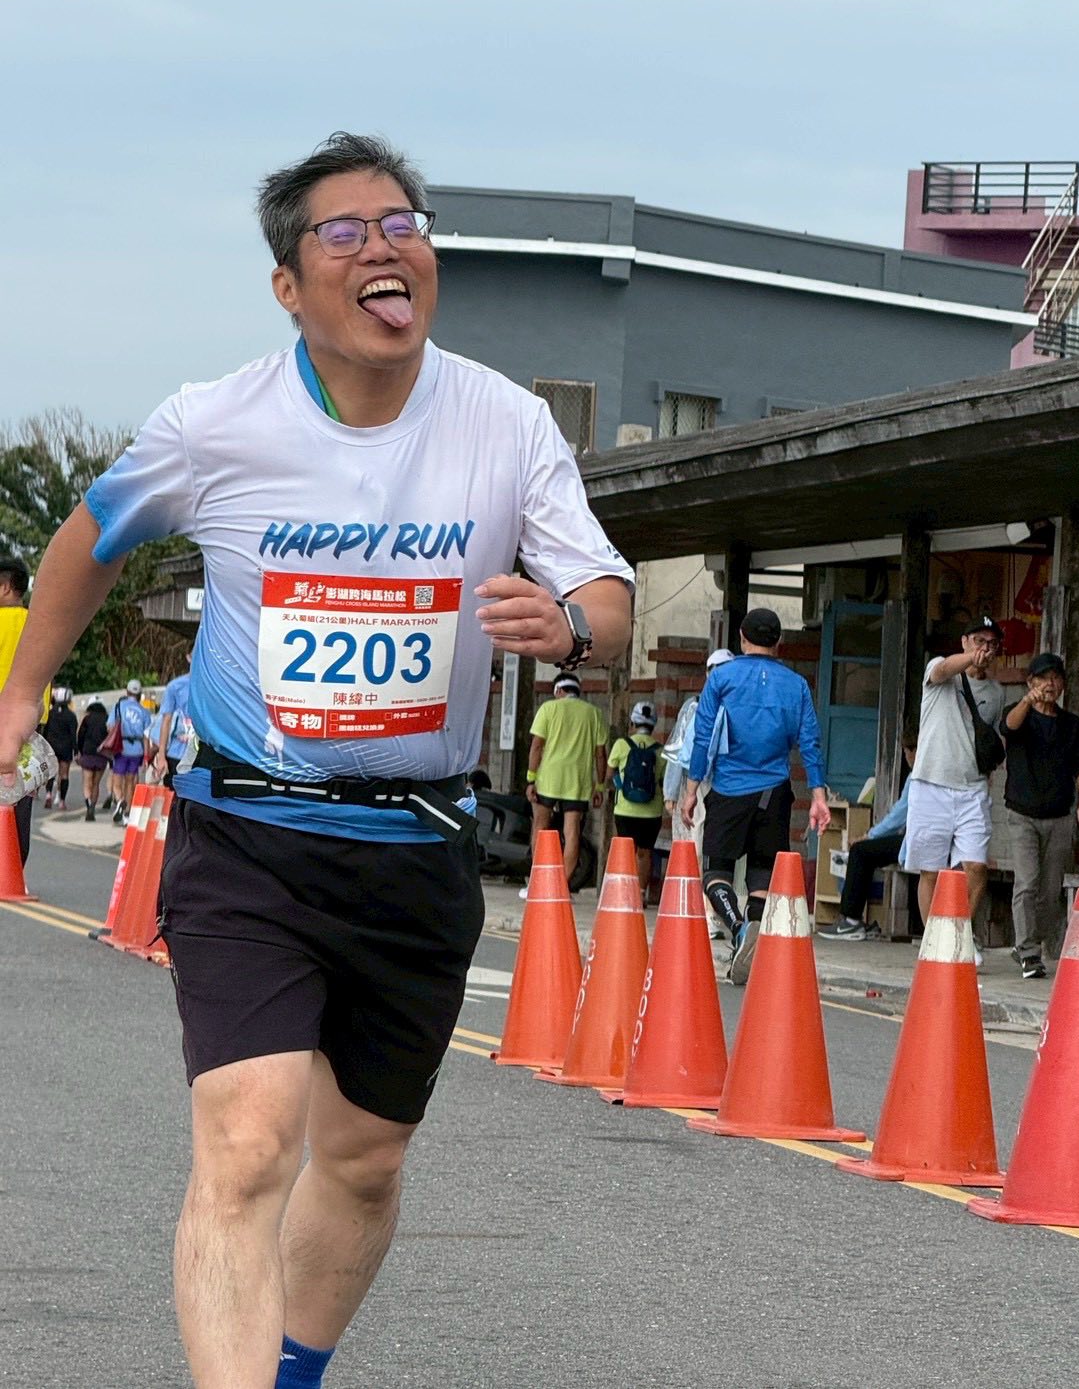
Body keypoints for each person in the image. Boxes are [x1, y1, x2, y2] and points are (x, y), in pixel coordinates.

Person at [0, 131, 633, 1389]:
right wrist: (22, 692)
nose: (383, 247)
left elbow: (608, 600)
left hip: (417, 845)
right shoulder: (216, 424)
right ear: (289, 285)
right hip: (250, 833)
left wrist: (567, 625)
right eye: (345, 232)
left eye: (403, 224)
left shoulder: (505, 423)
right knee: (247, 1146)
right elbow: (91, 537)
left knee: (363, 1162)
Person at [681, 608, 831, 985]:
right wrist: (818, 795)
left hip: (728, 790)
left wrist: (691, 789)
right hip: (774, 792)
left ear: (742, 638)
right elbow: (810, 743)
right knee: (762, 874)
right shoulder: (796, 685)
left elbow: (702, 736)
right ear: (779, 642)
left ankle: (737, 929)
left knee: (716, 872)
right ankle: (750, 935)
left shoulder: (722, 678)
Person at [903, 615, 1006, 961]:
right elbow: (944, 669)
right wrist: (969, 659)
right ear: (964, 642)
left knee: (976, 866)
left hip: (972, 789)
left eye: (992, 644)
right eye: (979, 641)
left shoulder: (996, 692)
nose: (985, 649)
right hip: (930, 783)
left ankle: (960, 934)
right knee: (930, 869)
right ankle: (934, 941)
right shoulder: (939, 669)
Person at [1001, 652, 1079, 979]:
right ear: (1031, 682)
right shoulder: (1019, 714)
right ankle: (1029, 953)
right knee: (1027, 882)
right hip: (1022, 814)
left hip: (1059, 815)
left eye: (1055, 678)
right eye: (1043, 678)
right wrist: (1028, 700)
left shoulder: (1072, 725)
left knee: (1051, 890)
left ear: (1063, 684)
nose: (1050, 684)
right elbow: (1008, 727)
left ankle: (1028, 943)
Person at [663, 647, 735, 936]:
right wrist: (670, 793)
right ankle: (701, 912)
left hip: (726, 787)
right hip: (696, 786)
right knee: (695, 848)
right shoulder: (693, 707)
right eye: (715, 671)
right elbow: (678, 753)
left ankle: (712, 912)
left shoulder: (737, 707)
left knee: (715, 851)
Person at [819, 734, 917, 940]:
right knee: (867, 852)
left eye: (907, 752)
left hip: (917, 842)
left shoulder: (917, 776)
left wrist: (869, 835)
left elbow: (899, 816)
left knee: (860, 852)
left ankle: (850, 921)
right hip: (930, 841)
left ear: (914, 751)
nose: (907, 757)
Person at [526, 672, 609, 888]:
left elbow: (537, 746)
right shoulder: (594, 713)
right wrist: (599, 785)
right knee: (572, 832)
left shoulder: (548, 709)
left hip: (548, 779)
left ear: (559, 690)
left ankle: (539, 883)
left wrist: (531, 778)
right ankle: (561, 886)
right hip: (578, 782)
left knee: (540, 827)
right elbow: (601, 754)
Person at [0, 558, 49, 864]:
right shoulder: (39, 625)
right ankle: (12, 872)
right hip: (30, 730)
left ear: (5, 587)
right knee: (19, 804)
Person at [606, 700, 666, 902]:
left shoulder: (621, 745)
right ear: (653, 725)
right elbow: (663, 781)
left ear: (632, 723)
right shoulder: (660, 750)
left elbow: (609, 774)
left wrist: (620, 786)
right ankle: (640, 895)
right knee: (645, 853)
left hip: (625, 809)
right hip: (652, 811)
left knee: (626, 851)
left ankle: (623, 893)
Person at [108, 678, 153, 823]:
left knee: (117, 781)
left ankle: (120, 800)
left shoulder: (118, 707)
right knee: (130, 781)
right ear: (139, 694)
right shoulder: (144, 712)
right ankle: (127, 814)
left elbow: (110, 727)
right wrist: (146, 756)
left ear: (127, 692)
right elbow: (147, 736)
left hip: (121, 748)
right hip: (137, 750)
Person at [154, 648, 193, 785]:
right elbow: (166, 721)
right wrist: (161, 757)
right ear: (188, 657)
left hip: (202, 758)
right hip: (177, 754)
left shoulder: (214, 685)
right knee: (174, 795)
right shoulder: (175, 687)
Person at [41, 686, 78, 809]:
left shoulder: (50, 714)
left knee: (51, 773)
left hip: (52, 746)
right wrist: (76, 751)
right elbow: (73, 735)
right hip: (66, 748)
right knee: (64, 774)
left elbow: (45, 731)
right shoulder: (71, 716)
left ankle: (48, 794)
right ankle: (62, 801)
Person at [75, 699, 111, 820]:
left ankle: (88, 806)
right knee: (96, 784)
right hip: (102, 755)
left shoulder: (87, 719)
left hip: (88, 753)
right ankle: (93, 807)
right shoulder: (107, 719)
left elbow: (80, 736)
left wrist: (79, 751)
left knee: (87, 783)